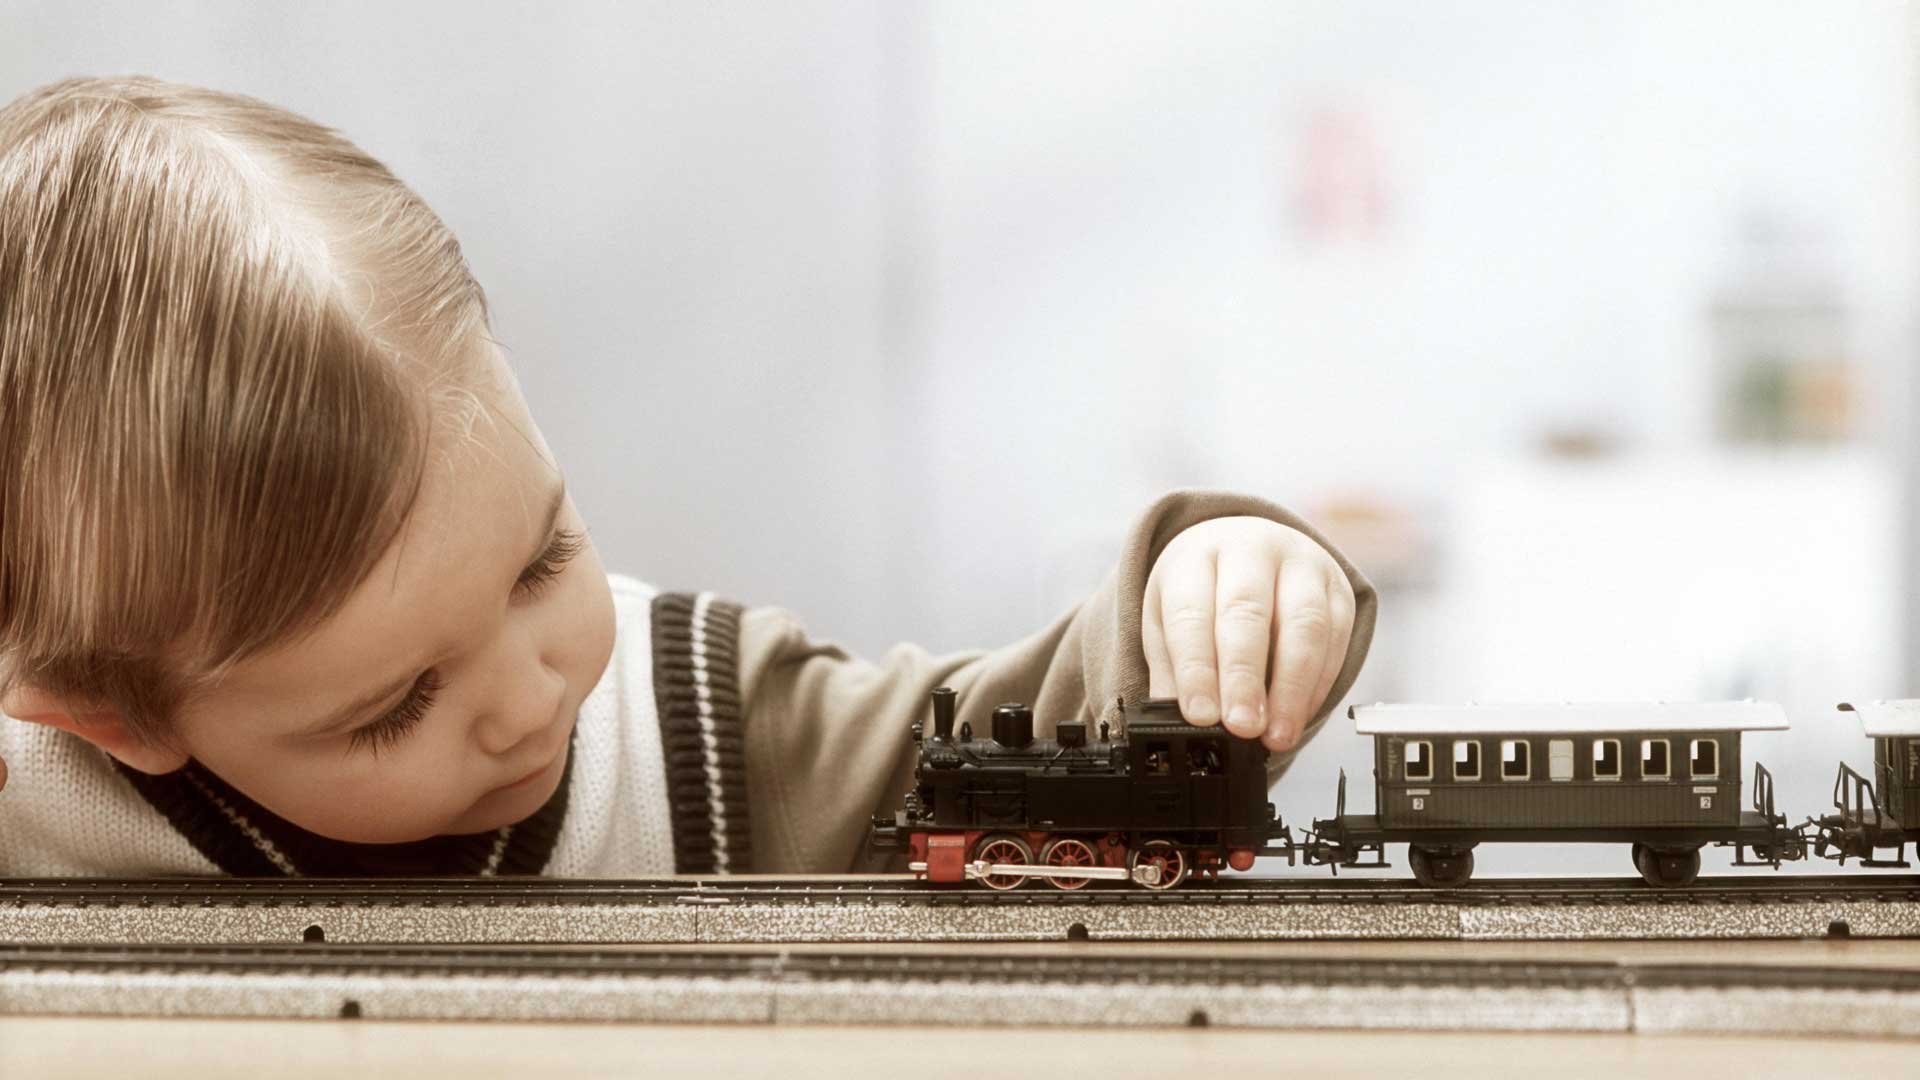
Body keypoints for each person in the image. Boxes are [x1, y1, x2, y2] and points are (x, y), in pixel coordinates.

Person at [0, 75, 1377, 877]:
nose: (530, 693)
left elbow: (1018, 740)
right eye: (397, 702)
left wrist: (1208, 594)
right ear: (120, 721)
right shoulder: (34, 804)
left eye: (541, 560)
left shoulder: (702, 731)